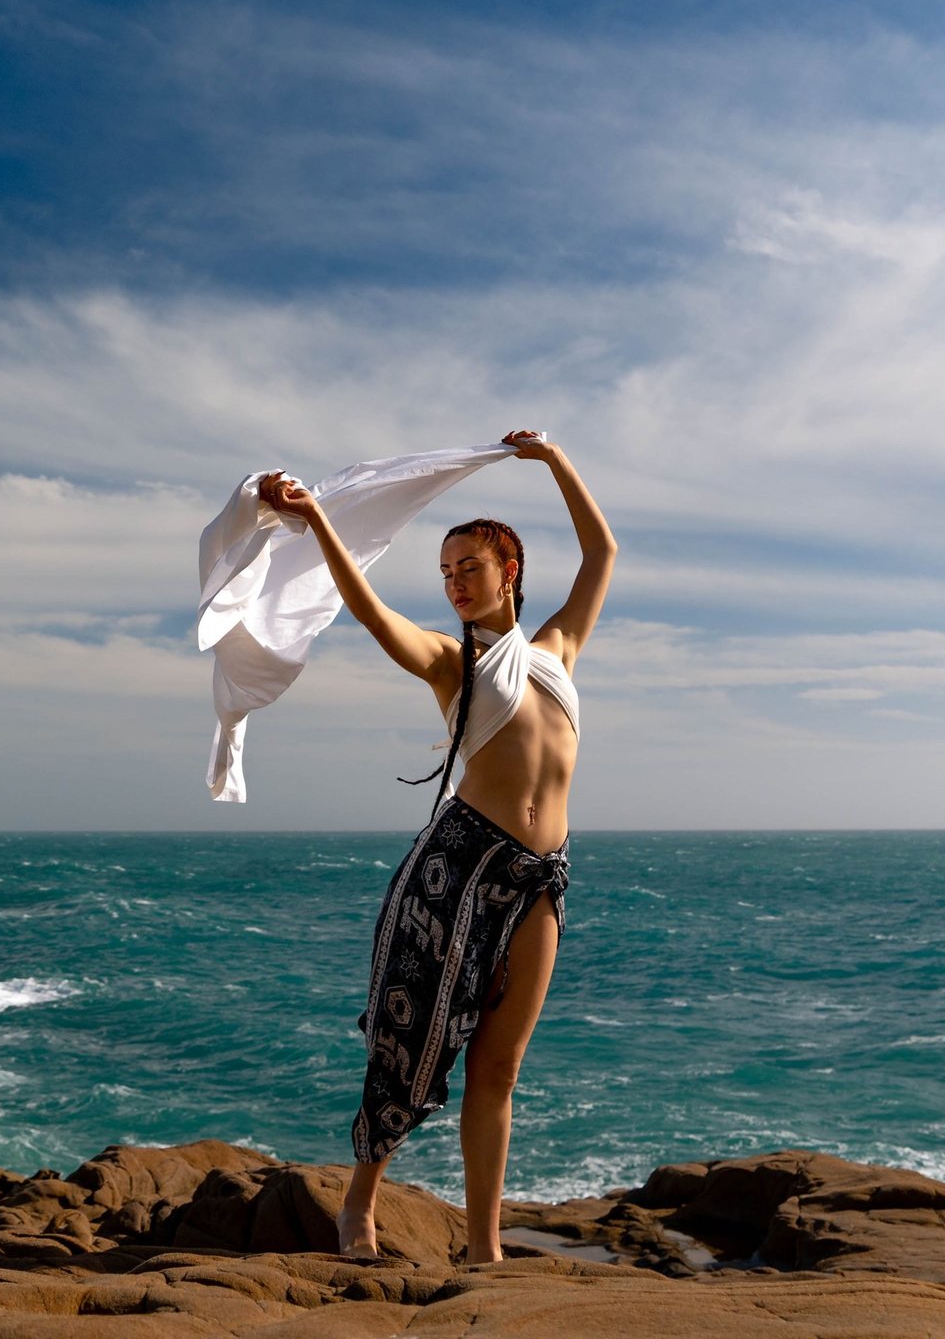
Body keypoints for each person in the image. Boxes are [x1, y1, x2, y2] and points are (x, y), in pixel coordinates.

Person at [255, 428, 616, 1266]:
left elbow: (602, 549)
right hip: (457, 866)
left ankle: (484, 1251)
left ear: (508, 572)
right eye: (446, 573)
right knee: (407, 1048)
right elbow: (372, 613)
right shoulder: (452, 667)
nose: (455, 584)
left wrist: (556, 461)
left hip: (539, 880)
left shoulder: (559, 649)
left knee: (499, 1068)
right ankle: (361, 1200)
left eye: (470, 569)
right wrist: (318, 524)